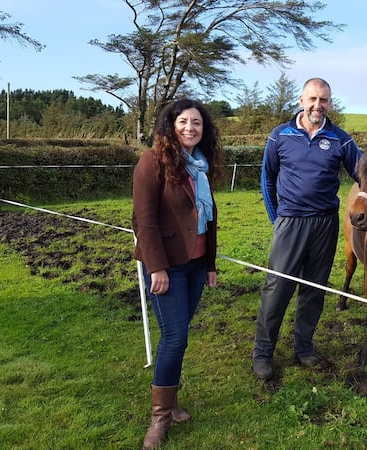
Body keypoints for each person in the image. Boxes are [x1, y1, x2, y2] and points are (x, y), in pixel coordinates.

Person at [252, 78, 363, 381]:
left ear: (330, 103)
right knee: (277, 289)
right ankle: (263, 353)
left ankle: (304, 348)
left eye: (324, 100)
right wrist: (278, 219)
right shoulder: (280, 136)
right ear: (301, 100)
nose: (318, 105)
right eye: (312, 99)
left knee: (314, 289)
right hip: (290, 222)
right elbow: (267, 179)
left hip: (325, 223)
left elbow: (365, 172)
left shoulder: (340, 139)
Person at [132, 98, 225, 449]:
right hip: (166, 267)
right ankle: (159, 417)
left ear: (205, 130)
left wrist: (211, 265)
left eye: (197, 123)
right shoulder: (152, 161)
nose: (190, 128)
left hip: (197, 264)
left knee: (180, 334)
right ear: (171, 125)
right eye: (183, 121)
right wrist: (156, 267)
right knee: (175, 337)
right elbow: (144, 220)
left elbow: (208, 220)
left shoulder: (201, 165)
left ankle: (169, 404)